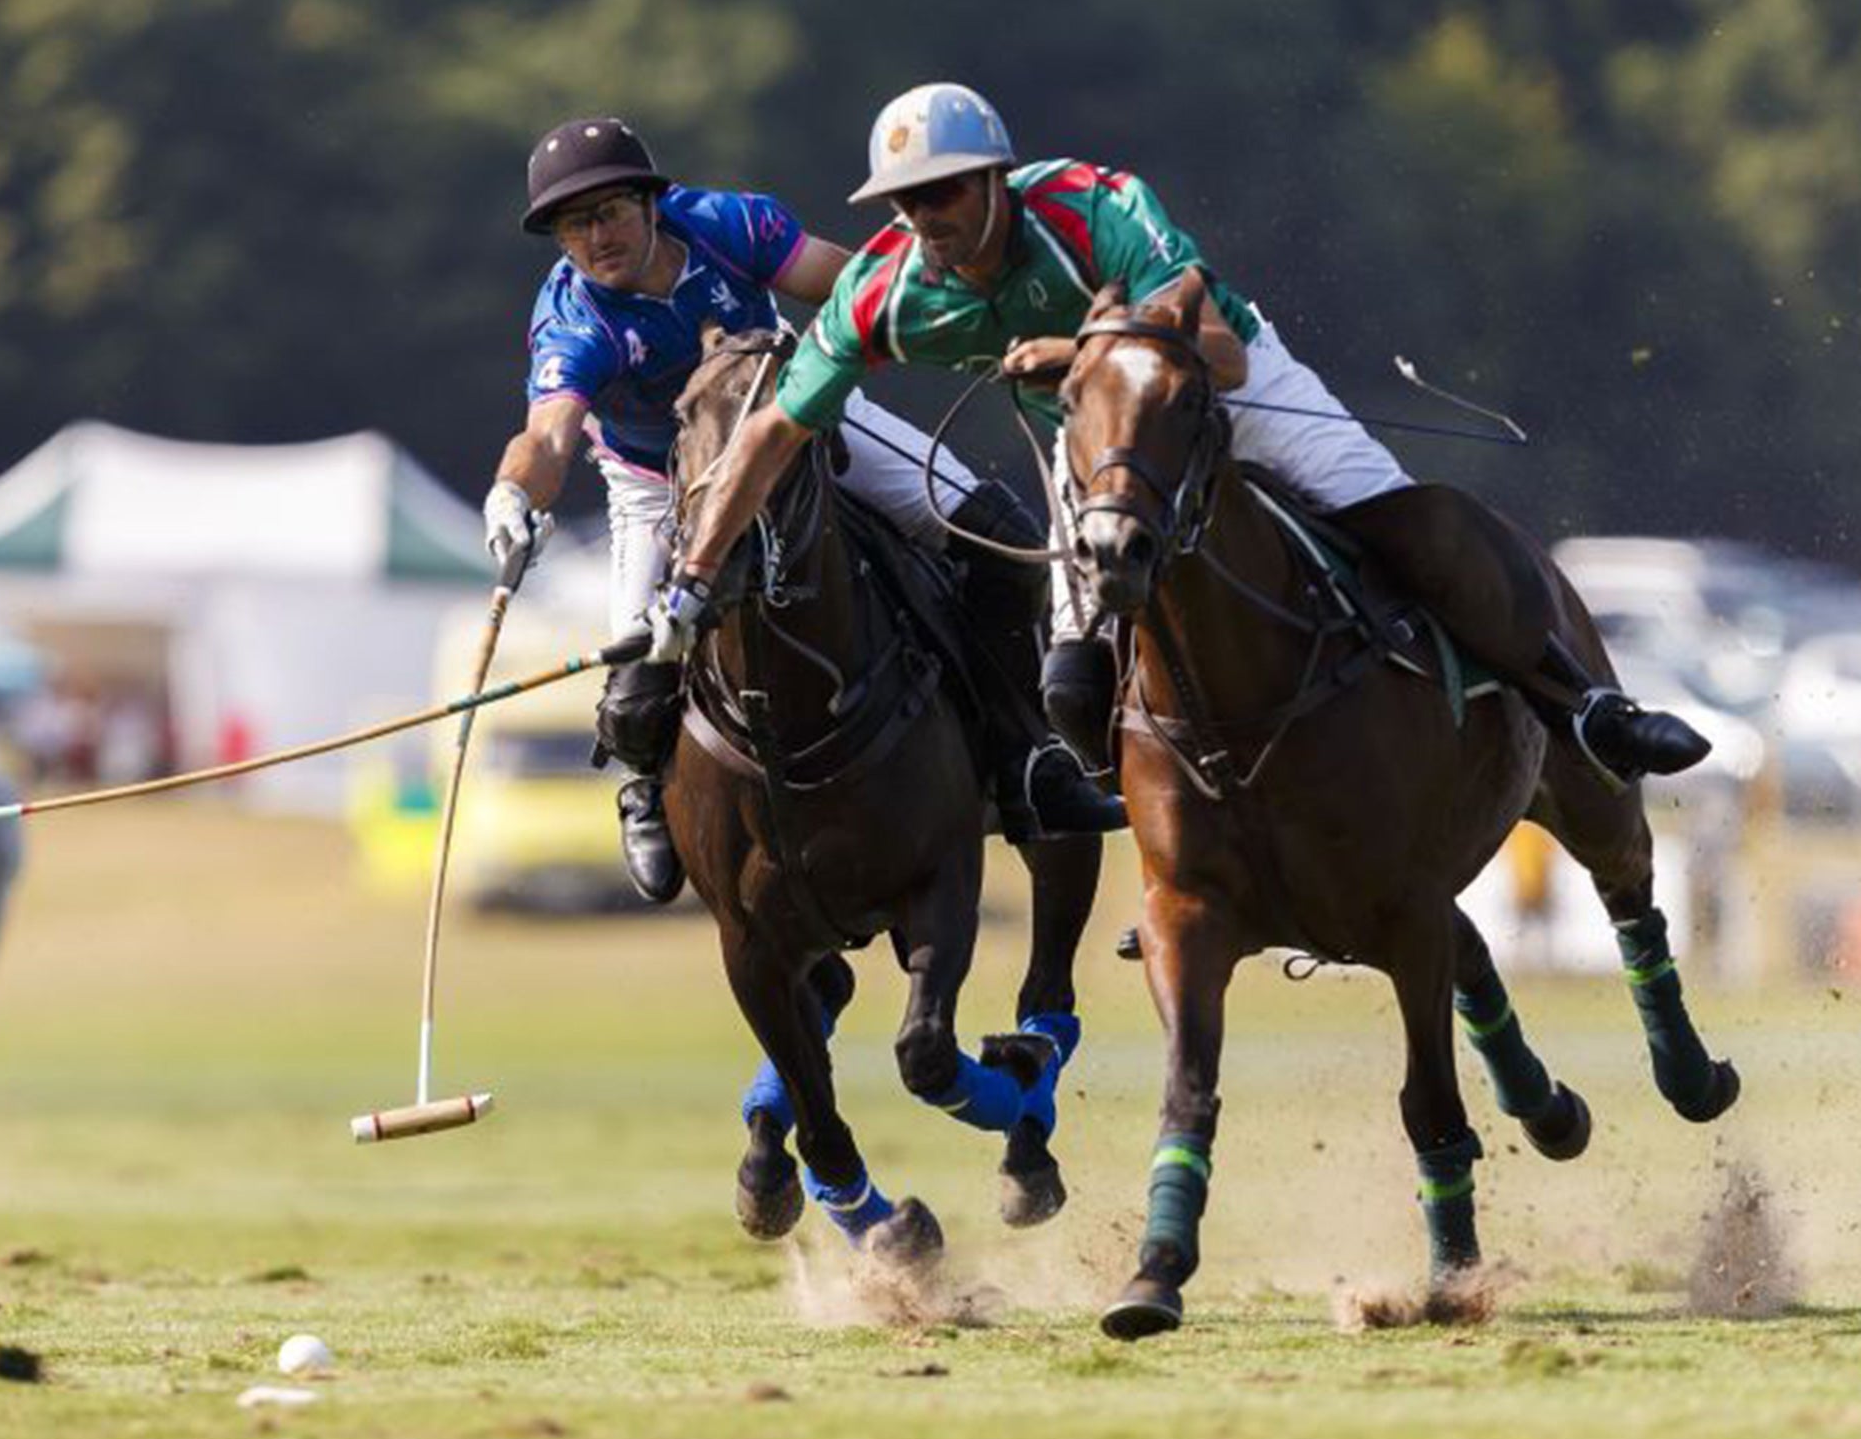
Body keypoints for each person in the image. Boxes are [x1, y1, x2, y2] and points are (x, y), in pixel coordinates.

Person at [650, 82, 1709, 790]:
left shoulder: (1095, 208)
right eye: (904, 202)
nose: (926, 219)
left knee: (1409, 529)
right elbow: (775, 431)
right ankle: (1168, 830)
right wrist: (694, 573)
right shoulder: (887, 291)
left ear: (992, 180)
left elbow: (1220, 352)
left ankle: (1581, 708)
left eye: (941, 194)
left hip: (1220, 388)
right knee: (1070, 681)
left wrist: (1072, 351)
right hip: (1096, 453)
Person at [482, 117, 1122, 904]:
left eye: (610, 210)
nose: (596, 236)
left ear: (652, 203)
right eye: (573, 225)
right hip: (657, 484)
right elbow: (547, 438)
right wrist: (512, 495)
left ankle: (1026, 753)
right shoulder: (575, 323)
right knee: (638, 688)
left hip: (795, 424)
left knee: (1000, 536)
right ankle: (647, 789)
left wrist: (970, 320)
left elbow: (852, 287)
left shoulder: (727, 225)